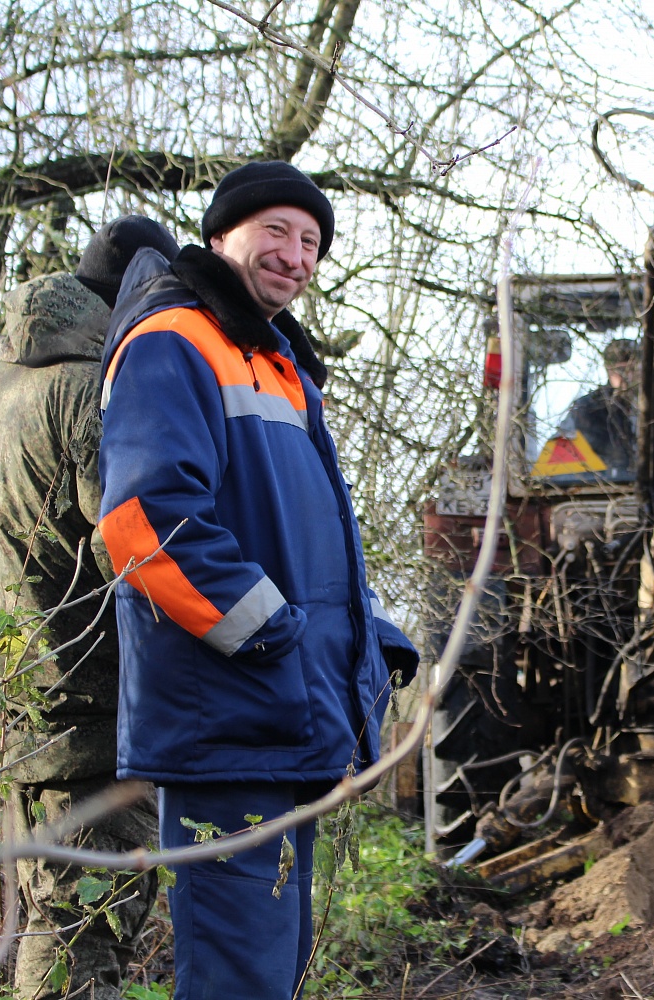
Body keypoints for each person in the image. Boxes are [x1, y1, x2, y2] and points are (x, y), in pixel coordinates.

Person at [95, 160, 418, 1000]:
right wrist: (274, 633)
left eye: (311, 242)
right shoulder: (175, 340)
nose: (295, 254)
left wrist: (365, 641)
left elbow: (306, 546)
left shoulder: (278, 366)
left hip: (276, 721)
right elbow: (144, 521)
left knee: (268, 971)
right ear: (220, 235)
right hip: (229, 728)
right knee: (240, 978)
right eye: (275, 231)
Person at [0, 217, 180, 1000]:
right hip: (81, 706)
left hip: (8, 695)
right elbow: (132, 542)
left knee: (52, 917)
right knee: (84, 932)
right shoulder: (86, 390)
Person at [557, 337, 641, 477]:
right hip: (604, 490)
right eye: (621, 370)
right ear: (609, 370)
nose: (629, 376)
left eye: (633, 369)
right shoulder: (588, 409)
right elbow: (566, 467)